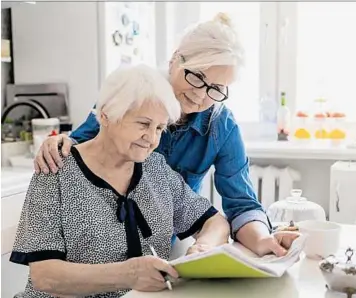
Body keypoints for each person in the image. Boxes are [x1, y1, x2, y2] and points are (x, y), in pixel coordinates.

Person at [34, 13, 299, 257]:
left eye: (216, 88)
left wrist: (264, 240)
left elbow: (241, 205)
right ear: (175, 60)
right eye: (197, 76)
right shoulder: (133, 93)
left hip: (159, 248)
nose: (200, 95)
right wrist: (59, 143)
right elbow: (79, 145)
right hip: (96, 245)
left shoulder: (221, 126)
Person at [10, 64, 230, 298]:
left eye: (160, 128)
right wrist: (129, 274)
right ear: (105, 115)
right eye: (143, 124)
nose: (152, 138)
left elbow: (215, 222)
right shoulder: (56, 169)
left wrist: (203, 248)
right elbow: (44, 275)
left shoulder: (156, 168)